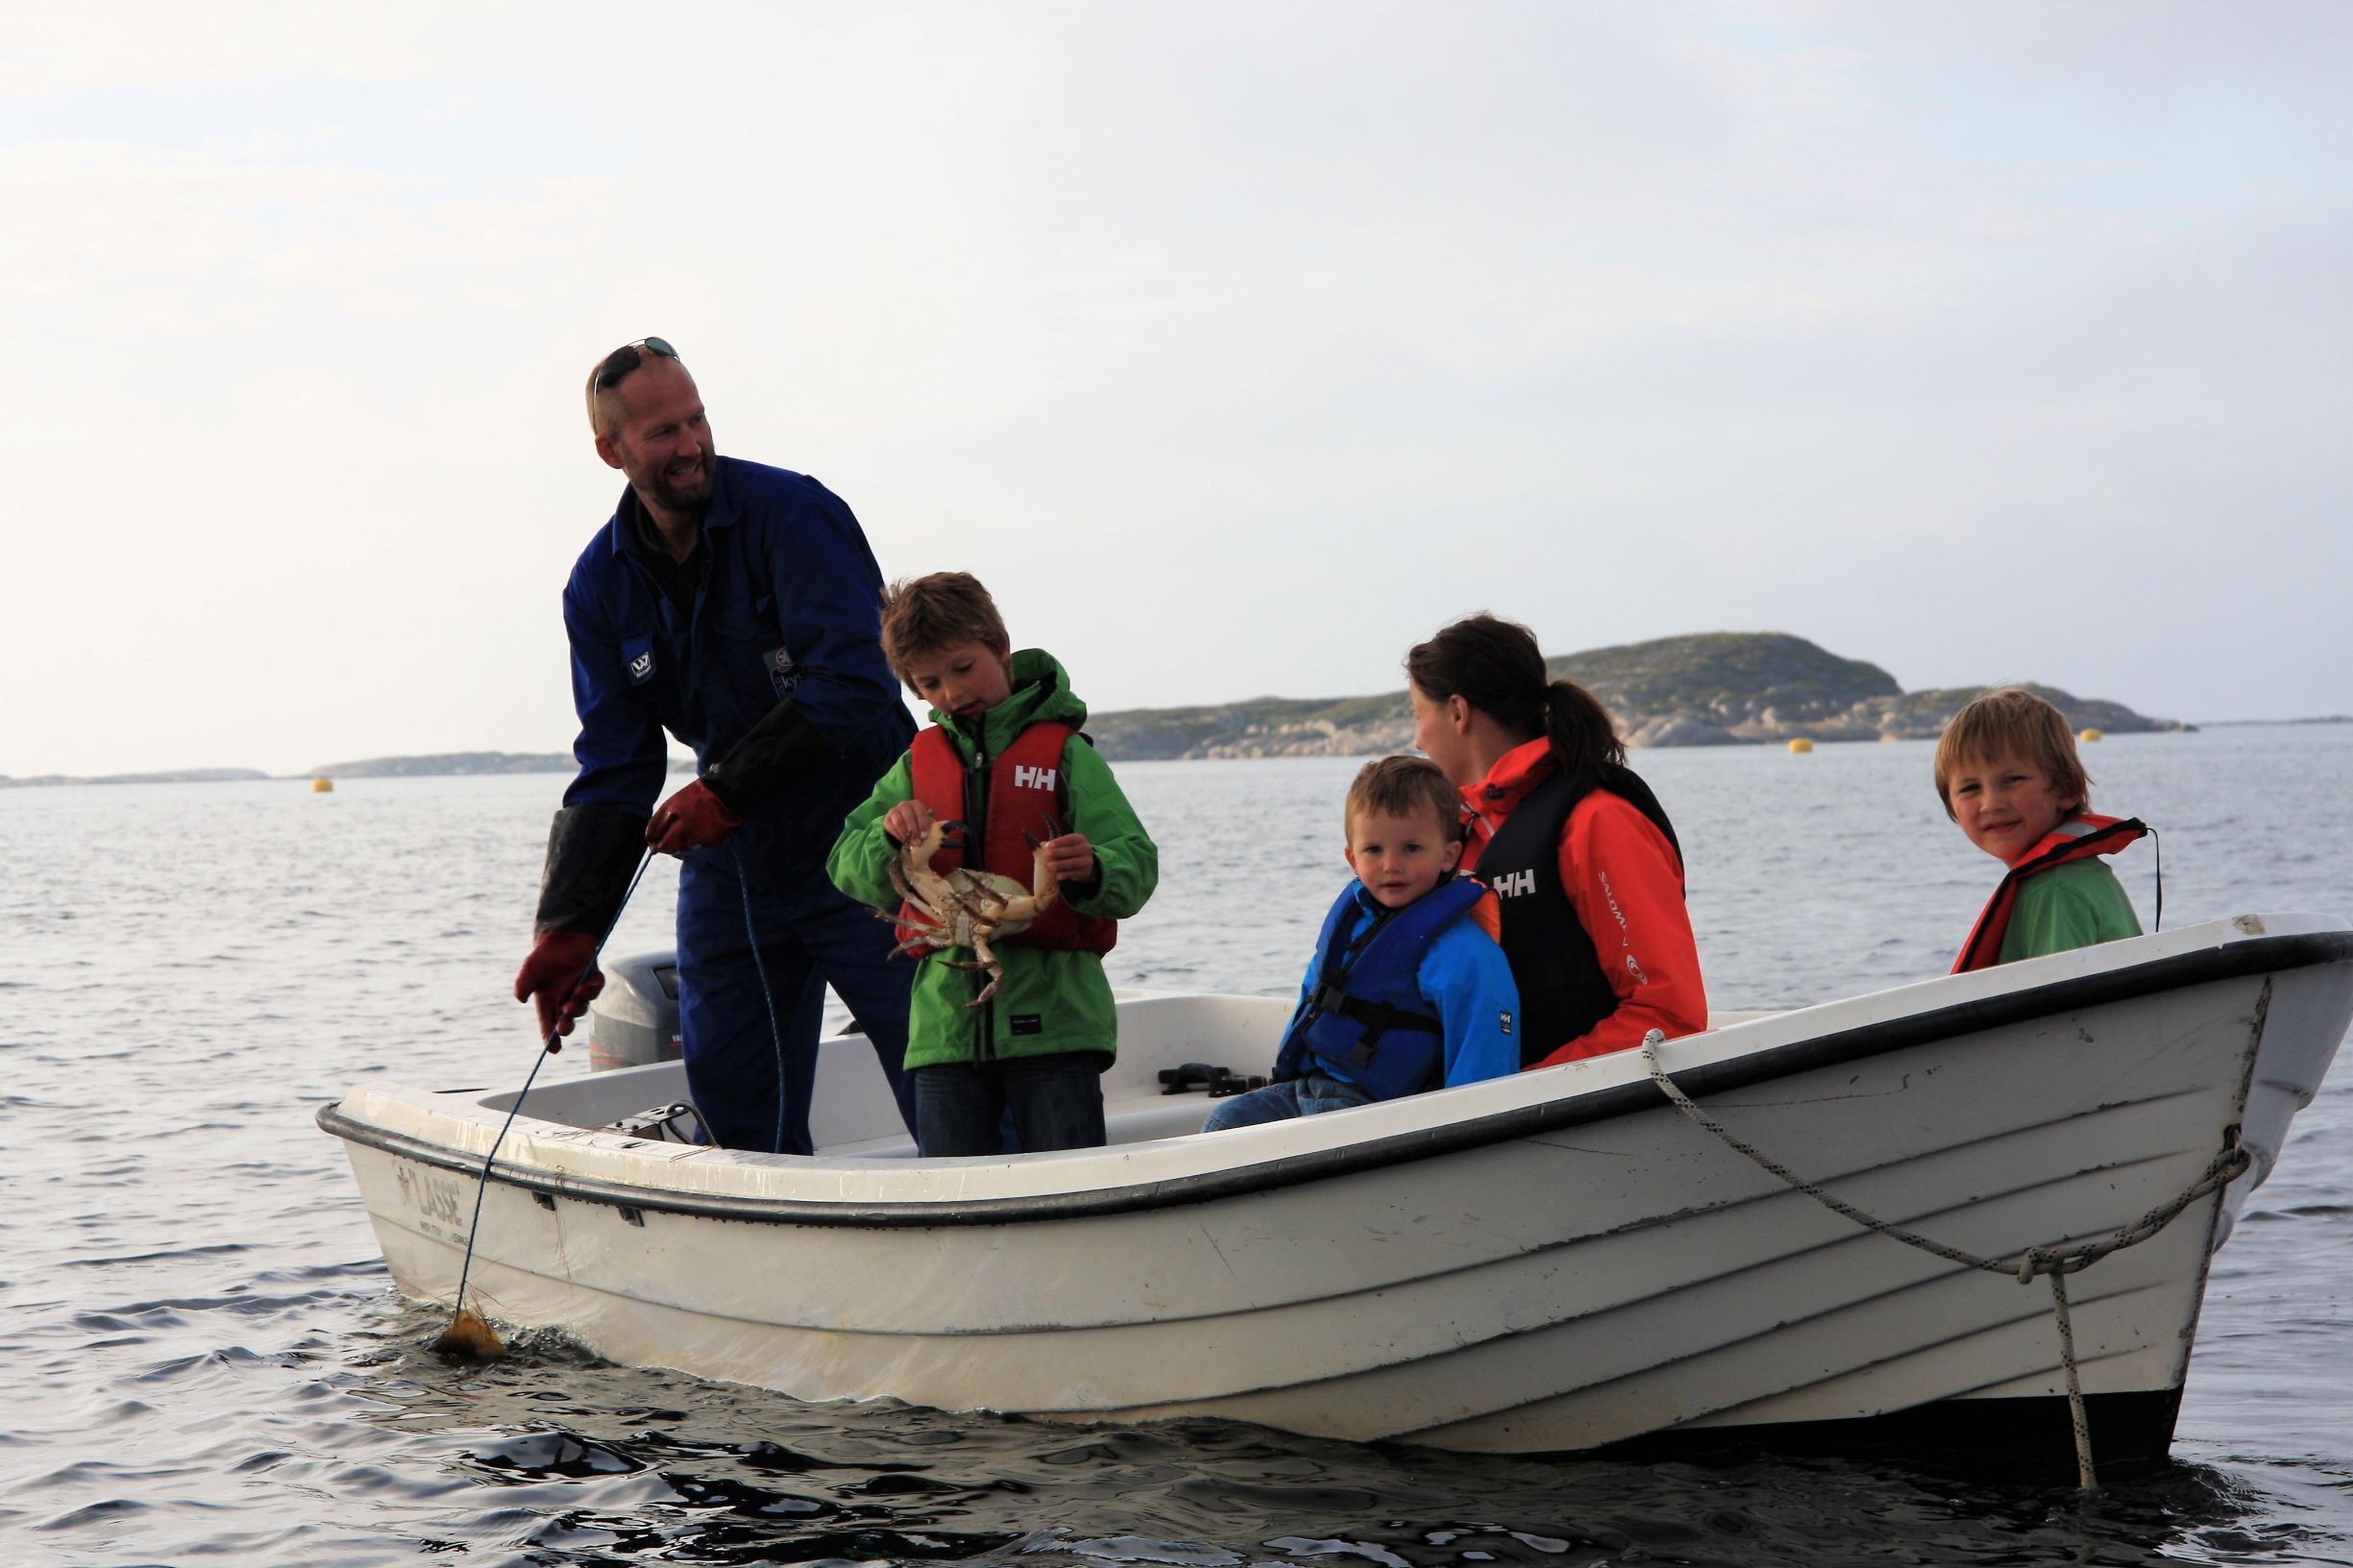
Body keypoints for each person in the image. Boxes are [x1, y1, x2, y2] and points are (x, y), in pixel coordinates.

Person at [513, 335, 919, 1154]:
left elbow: (856, 682)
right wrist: (567, 927)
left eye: (697, 420)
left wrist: (724, 790)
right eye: (663, 432)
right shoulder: (598, 584)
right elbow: (617, 763)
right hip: (734, 864)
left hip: (875, 840)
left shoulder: (793, 514)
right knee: (738, 1117)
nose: (692, 445)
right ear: (611, 450)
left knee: (944, 1073)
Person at [827, 572, 1159, 1157]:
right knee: (952, 1201)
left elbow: (1135, 862)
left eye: (963, 667)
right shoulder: (915, 764)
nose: (952, 692)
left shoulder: (1066, 755)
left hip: (1057, 1026)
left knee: (1071, 1188)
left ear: (1001, 650)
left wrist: (1093, 865)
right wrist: (887, 835)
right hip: (942, 1035)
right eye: (930, 682)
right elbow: (845, 864)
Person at [1406, 613, 1707, 1066]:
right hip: (1447, 1097)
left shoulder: (1599, 822)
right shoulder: (1449, 839)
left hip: (1537, 1104)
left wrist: (1525, 1090)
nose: (1417, 740)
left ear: (1456, 712)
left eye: (1418, 716)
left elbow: (1669, 1015)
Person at [1204, 756, 1521, 1132]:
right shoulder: (1351, 923)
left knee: (1318, 1137)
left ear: (1449, 855)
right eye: (1374, 850)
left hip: (1378, 1107)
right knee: (1226, 1119)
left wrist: (1469, 1127)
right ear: (1352, 858)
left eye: (1411, 848)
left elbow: (1482, 1048)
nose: (1391, 864)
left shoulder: (1460, 949)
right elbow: (1314, 994)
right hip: (1308, 1087)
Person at [1937, 687, 2145, 970]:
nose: (1991, 803)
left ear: (2068, 788)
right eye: (1970, 788)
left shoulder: (2054, 891)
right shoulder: (2079, 875)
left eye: (2012, 780)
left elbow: (2061, 1008)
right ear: (1951, 806)